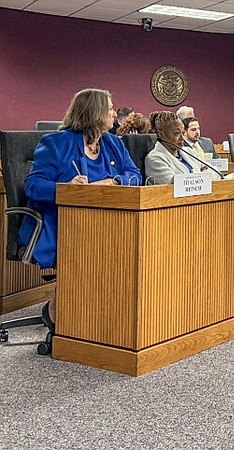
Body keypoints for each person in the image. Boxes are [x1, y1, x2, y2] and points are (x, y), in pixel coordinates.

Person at [22, 88, 141, 328]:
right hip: (62, 220)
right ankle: (73, 311)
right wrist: (66, 187)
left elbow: (135, 174)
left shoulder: (113, 143)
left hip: (109, 217)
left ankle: (109, 315)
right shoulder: (56, 143)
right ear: (94, 112)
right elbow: (33, 185)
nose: (114, 114)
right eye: (109, 108)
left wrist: (113, 181)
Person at [145, 111, 218, 184]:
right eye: (176, 133)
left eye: (183, 133)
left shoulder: (189, 151)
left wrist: (194, 176)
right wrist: (202, 172)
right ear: (161, 134)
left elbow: (215, 172)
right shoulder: (154, 159)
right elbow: (179, 185)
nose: (182, 138)